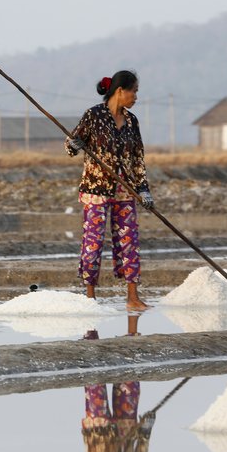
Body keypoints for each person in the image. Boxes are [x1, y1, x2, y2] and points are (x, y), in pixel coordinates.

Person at [64, 70, 152, 311]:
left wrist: (144, 190)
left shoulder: (132, 121)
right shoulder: (93, 116)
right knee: (93, 243)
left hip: (125, 190)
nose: (136, 96)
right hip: (96, 189)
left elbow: (138, 160)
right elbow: (71, 147)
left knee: (129, 242)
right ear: (120, 91)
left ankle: (133, 298)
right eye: (134, 91)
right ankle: (90, 298)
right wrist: (75, 144)